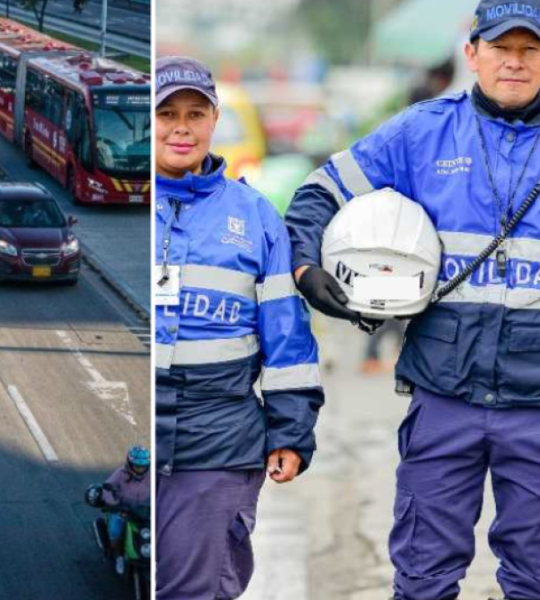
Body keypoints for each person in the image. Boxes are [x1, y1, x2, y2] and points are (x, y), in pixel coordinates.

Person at [284, 2, 540, 599]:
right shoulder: (421, 132)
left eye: (530, 49)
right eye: (502, 48)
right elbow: (318, 192)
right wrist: (306, 270)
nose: (514, 62)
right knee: (423, 577)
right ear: (472, 53)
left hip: (538, 404)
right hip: (443, 395)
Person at [154, 56, 325, 600]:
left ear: (213, 119)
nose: (182, 126)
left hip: (221, 442)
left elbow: (287, 340)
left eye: (195, 113)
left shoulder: (255, 217)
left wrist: (291, 432)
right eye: (167, 113)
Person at [98, 445, 150, 576]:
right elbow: (106, 488)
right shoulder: (120, 473)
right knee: (116, 531)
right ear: (130, 464)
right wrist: (113, 503)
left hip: (145, 513)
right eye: (137, 466)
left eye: (143, 466)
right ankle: (119, 556)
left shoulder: (152, 475)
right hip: (123, 511)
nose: (140, 469)